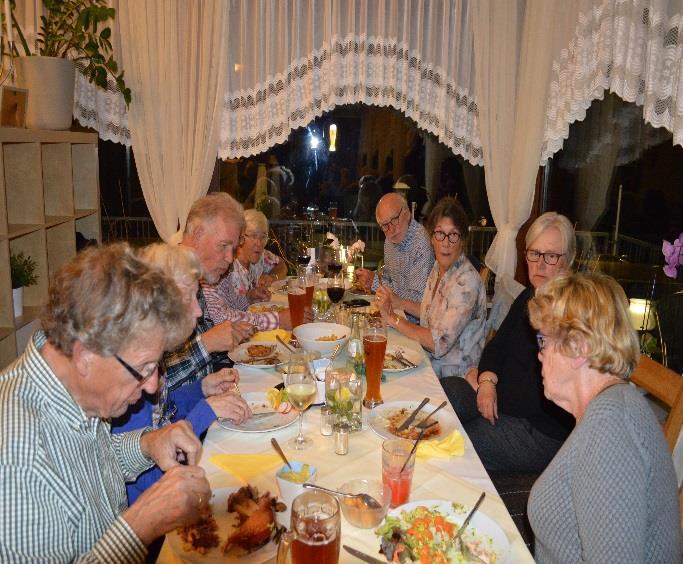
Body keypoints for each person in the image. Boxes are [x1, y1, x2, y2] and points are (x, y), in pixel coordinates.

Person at [0, 244, 212, 561]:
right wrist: (141, 525)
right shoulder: (17, 458)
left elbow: (83, 467)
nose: (152, 386)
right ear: (86, 355)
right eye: (144, 370)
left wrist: (148, 444)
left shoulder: (72, 387)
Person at [527, 272, 680, 562]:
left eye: (543, 341)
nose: (539, 355)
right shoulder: (604, 410)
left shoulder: (611, 428)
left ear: (578, 348)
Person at [112, 243, 252, 504]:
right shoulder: (134, 370)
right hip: (152, 514)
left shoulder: (153, 352)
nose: (199, 312)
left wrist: (200, 389)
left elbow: (163, 413)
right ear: (160, 302)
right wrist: (205, 411)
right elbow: (153, 477)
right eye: (190, 297)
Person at [442, 212, 576, 473]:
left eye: (551, 256)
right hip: (501, 399)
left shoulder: (568, 314)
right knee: (445, 394)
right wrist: (486, 380)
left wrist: (487, 387)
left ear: (568, 260)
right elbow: (497, 347)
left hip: (538, 430)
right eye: (534, 254)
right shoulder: (530, 295)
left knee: (455, 440)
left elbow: (539, 398)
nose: (540, 265)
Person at [376, 197, 487, 378]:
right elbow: (429, 312)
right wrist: (398, 302)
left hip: (451, 379)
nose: (446, 242)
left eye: (453, 235)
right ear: (432, 238)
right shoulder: (438, 268)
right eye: (439, 234)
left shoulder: (466, 282)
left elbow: (437, 343)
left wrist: (392, 318)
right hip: (427, 363)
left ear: (462, 240)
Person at [164, 192, 254, 393]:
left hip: (203, 398)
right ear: (196, 234)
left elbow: (194, 359)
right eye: (223, 246)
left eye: (233, 248)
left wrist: (230, 338)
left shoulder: (195, 277)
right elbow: (150, 385)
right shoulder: (163, 283)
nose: (230, 258)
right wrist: (206, 344)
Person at [355, 192, 434, 322]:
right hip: (394, 315)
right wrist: (370, 276)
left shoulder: (420, 243)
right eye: (385, 225)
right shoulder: (389, 240)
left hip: (414, 325)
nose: (391, 229)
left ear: (407, 213)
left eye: (394, 220)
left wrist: (375, 282)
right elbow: (389, 277)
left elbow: (417, 301)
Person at [204, 209, 287, 313]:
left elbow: (281, 264)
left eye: (263, 237)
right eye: (253, 236)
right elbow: (223, 314)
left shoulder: (260, 256)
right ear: (240, 237)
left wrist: (272, 277)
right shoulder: (226, 267)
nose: (259, 243)